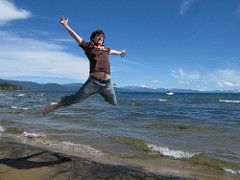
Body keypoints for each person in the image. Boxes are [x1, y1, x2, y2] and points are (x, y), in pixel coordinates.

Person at [42, 16, 126, 116]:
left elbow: (113, 51)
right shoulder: (88, 46)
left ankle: (101, 92)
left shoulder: (105, 49)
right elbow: (76, 37)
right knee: (75, 99)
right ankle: (54, 106)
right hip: (93, 82)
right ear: (93, 38)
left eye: (102, 37)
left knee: (114, 102)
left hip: (107, 84)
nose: (100, 37)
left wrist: (120, 52)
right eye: (98, 36)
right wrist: (66, 25)